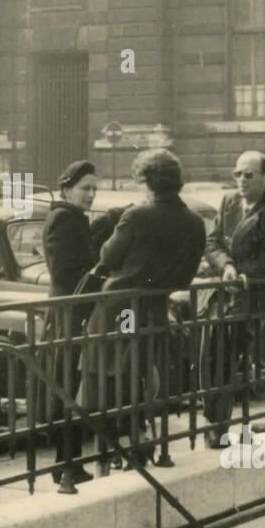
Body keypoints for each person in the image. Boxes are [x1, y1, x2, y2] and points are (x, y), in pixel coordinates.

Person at [78, 149, 206, 476]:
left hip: (117, 308)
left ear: (147, 181)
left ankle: (105, 458)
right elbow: (186, 276)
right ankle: (135, 440)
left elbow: (107, 256)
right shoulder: (193, 222)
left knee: (101, 383)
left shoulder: (137, 216)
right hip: (155, 309)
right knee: (138, 378)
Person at [203, 150, 265, 447]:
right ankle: (214, 426)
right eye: (237, 174)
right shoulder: (229, 202)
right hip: (224, 294)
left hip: (251, 298)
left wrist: (244, 276)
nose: (241, 180)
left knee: (241, 361)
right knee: (213, 359)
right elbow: (213, 241)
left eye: (249, 175)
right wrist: (226, 266)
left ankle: (238, 425)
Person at [41, 160, 98, 485]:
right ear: (66, 188)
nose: (90, 194)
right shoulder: (64, 219)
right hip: (68, 312)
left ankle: (67, 460)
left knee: (69, 384)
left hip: (71, 310)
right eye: (85, 188)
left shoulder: (72, 217)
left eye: (94, 189)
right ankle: (65, 462)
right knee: (66, 385)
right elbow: (65, 271)